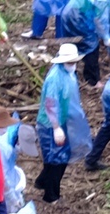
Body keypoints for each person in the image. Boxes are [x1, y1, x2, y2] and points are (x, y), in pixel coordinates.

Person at [34, 44, 90, 196]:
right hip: (50, 124)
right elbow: (50, 104)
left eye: (74, 61)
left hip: (61, 120)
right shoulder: (55, 78)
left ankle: (42, 181)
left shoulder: (68, 73)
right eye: (70, 62)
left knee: (57, 156)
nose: (73, 65)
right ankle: (51, 195)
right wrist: (56, 127)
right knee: (57, 159)